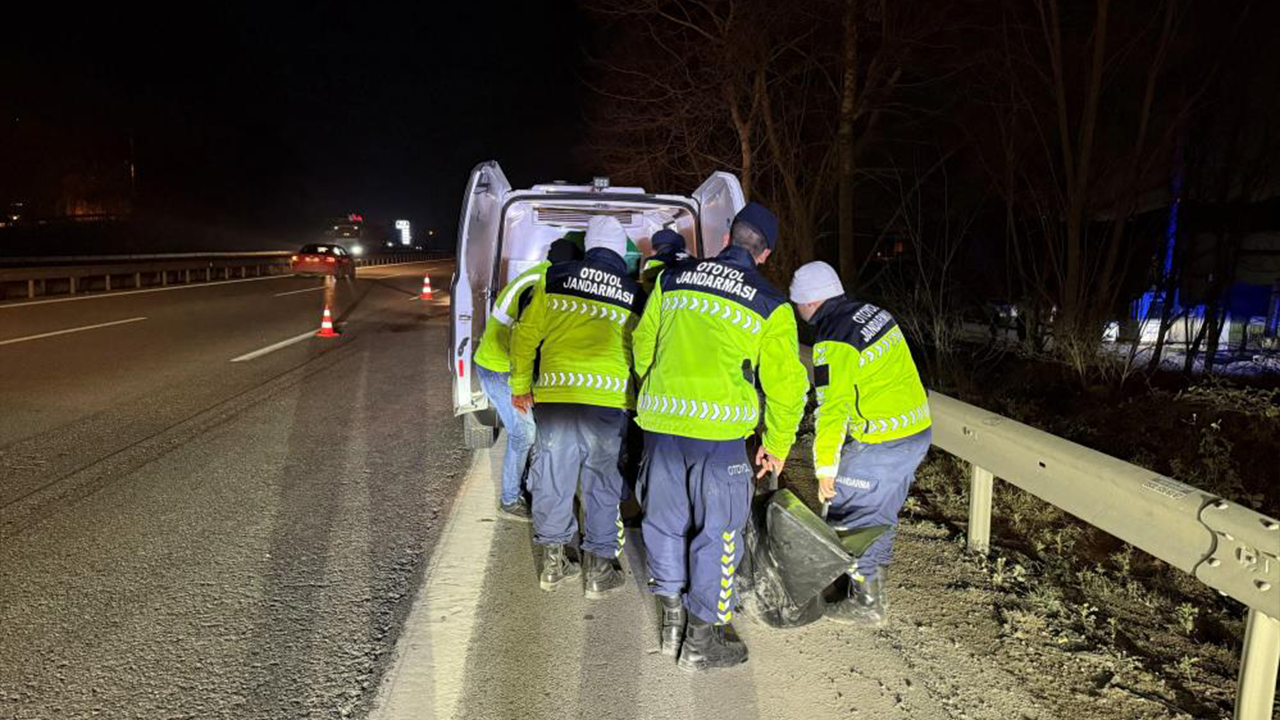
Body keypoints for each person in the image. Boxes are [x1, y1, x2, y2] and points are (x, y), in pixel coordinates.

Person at [633, 202, 808, 671]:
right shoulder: (771, 305)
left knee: (664, 520)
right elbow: (787, 389)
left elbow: (642, 345)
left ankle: (672, 619)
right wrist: (777, 443)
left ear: (728, 238)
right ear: (765, 254)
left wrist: (658, 385)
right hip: (721, 439)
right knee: (720, 532)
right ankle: (700, 640)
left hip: (661, 429)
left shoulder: (673, 281)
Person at [788, 260, 933, 626]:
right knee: (879, 516)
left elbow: (831, 410)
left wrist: (825, 468)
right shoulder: (875, 313)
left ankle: (866, 602)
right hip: (915, 434)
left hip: (881, 443)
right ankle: (870, 590)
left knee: (849, 517)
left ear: (807, 304)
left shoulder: (833, 339)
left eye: (797, 305)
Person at [510, 216, 645, 598]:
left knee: (553, 475)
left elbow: (524, 338)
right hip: (607, 403)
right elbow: (643, 351)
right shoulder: (634, 293)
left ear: (589, 247)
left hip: (555, 399)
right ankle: (598, 572)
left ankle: (553, 565)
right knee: (601, 481)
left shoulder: (553, 280)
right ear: (620, 252)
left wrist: (521, 386)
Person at [473, 237, 582, 520]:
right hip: (500, 367)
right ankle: (510, 499)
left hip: (507, 364)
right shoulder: (543, 283)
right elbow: (525, 338)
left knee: (534, 429)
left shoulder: (538, 275)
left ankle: (528, 486)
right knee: (524, 433)